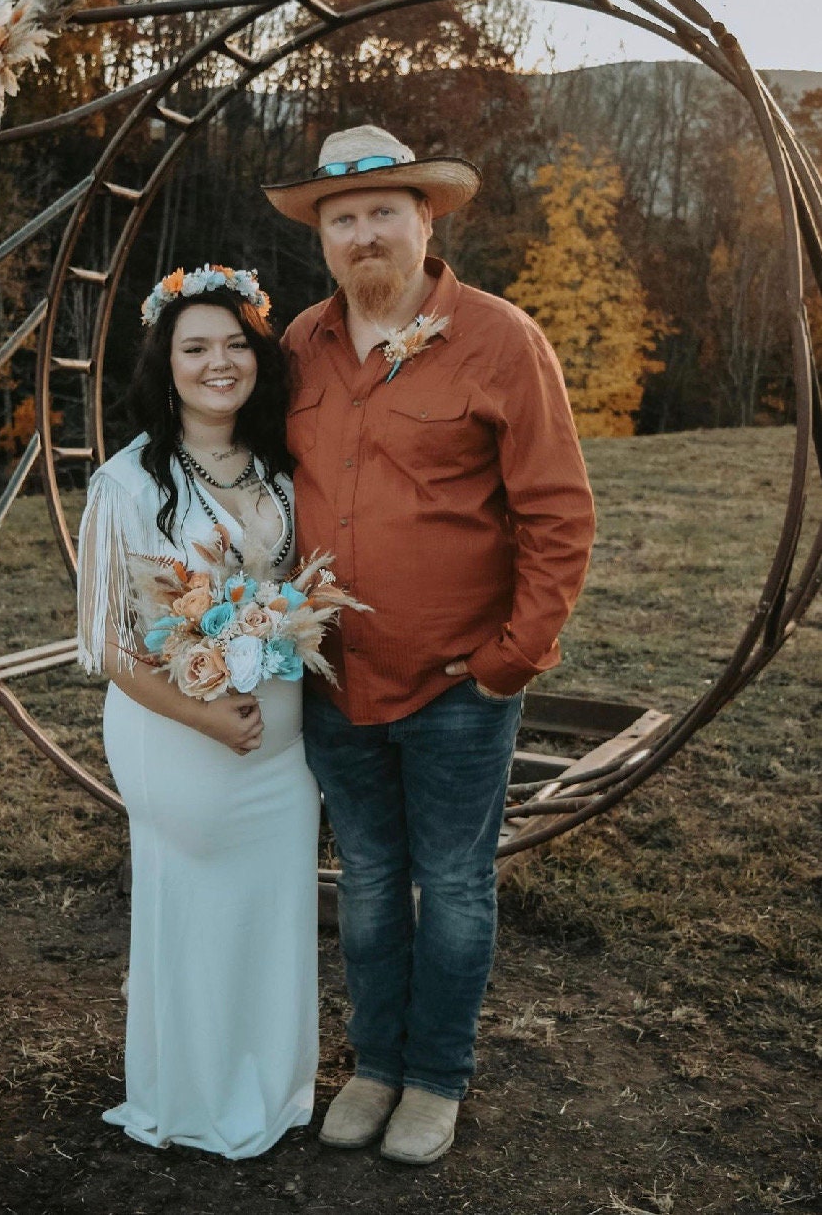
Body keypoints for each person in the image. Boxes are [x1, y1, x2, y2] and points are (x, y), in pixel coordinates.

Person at [263, 125, 597, 1166]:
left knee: (451, 884)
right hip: (336, 676)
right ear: (322, 238)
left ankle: (438, 1078)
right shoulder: (300, 346)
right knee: (365, 881)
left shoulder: (501, 339)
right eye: (343, 218)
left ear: (427, 220)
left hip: (460, 678)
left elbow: (559, 514)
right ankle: (373, 1064)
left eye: (383, 213)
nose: (364, 234)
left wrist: (511, 656)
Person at [75, 266, 320, 1159]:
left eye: (235, 344)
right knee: (195, 905)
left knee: (272, 908)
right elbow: (105, 642)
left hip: (281, 746)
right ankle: (187, 1096)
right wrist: (206, 716)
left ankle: (273, 1088)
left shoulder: (286, 470)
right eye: (195, 348)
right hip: (177, 735)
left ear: (259, 355)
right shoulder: (128, 483)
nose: (219, 363)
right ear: (164, 362)